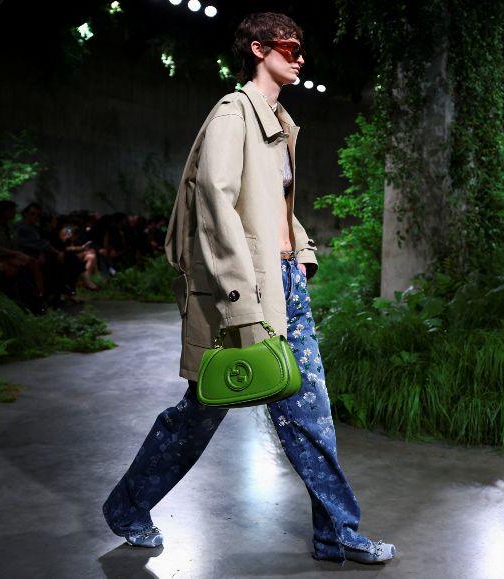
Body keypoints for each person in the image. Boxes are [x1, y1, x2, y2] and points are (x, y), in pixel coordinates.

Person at [101, 12, 396, 565]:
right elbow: (217, 211)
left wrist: (301, 254)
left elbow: (275, 210)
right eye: (290, 45)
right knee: (201, 411)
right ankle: (128, 506)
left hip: (285, 284)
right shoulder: (232, 116)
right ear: (259, 49)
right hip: (244, 292)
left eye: (302, 46)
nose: (300, 55)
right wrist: (243, 304)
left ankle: (337, 532)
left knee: (310, 410)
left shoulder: (280, 122)